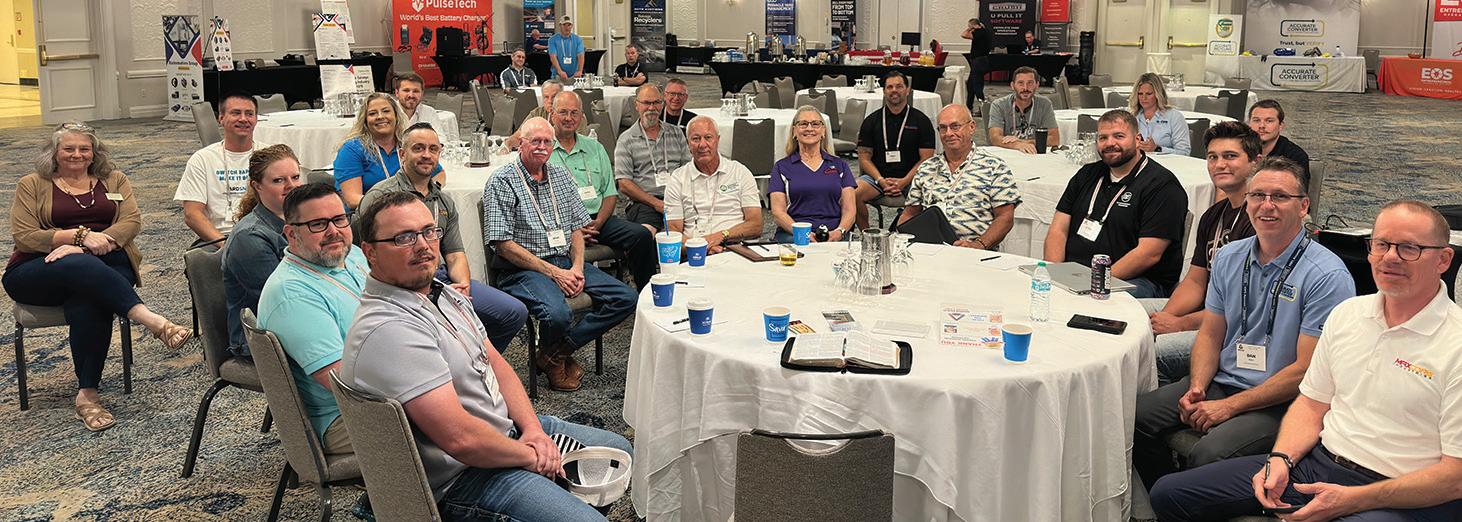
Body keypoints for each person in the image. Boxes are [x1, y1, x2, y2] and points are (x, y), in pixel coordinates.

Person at [1150, 200, 1462, 521]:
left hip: (1402, 493)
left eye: (1409, 248)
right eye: (1381, 244)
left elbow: (1455, 478)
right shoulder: (1349, 314)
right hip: (1320, 464)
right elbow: (1311, 405)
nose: (1390, 257)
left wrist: (1352, 500)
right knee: (1170, 494)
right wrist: (1281, 459)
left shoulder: (1455, 343)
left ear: (1443, 259)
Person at [343, 192, 633, 520]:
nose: (423, 245)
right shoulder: (390, 329)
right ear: (370, 252)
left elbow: (496, 364)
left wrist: (533, 430)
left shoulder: (442, 294)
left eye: (429, 231)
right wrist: (531, 455)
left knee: (617, 452)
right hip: (466, 477)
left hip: (503, 433)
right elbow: (461, 440)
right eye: (404, 238)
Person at [1132, 156, 1354, 490]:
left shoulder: (1326, 275)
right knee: (1134, 418)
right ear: (1247, 201)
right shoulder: (1229, 256)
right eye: (1258, 195)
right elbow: (1210, 334)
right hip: (1224, 380)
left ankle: (1188, 499)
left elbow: (1306, 370)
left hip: (1283, 401)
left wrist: (1229, 407)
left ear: (1304, 206)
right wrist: (1198, 386)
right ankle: (1164, 500)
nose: (1267, 205)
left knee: (1208, 453)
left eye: (1280, 197)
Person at [6, 121, 194, 432]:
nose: (77, 154)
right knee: (77, 267)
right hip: (39, 269)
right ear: (54, 152)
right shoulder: (32, 183)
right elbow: (25, 236)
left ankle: (87, 395)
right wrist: (77, 237)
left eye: (84, 148)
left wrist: (87, 246)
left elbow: (131, 221)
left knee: (91, 299)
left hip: (107, 259)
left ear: (94, 152)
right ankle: (153, 322)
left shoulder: (114, 180)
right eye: (68, 148)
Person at [483, 117, 637, 392]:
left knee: (626, 298)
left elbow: (576, 228)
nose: (542, 147)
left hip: (564, 261)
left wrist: (576, 267)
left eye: (547, 142)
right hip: (521, 269)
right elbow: (503, 244)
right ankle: (556, 359)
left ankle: (555, 354)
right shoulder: (502, 180)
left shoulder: (561, 176)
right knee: (557, 314)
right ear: (521, 144)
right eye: (535, 141)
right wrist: (555, 273)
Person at [356, 123, 529, 351]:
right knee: (437, 326)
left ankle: (474, 361)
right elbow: (364, 257)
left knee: (513, 312)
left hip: (439, 278)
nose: (426, 155)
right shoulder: (380, 197)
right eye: (418, 148)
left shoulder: (444, 201)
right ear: (402, 154)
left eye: (433, 149)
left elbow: (455, 255)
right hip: (400, 282)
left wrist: (462, 287)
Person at [1143, 122, 1262, 385]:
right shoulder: (1213, 215)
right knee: (1125, 315)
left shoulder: (1260, 219)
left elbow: (1246, 304)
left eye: (1230, 156)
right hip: (1206, 309)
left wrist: (1181, 324)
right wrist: (1165, 319)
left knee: (1149, 353)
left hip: (1235, 327)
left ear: (1255, 162)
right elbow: (1196, 281)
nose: (1219, 165)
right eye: (1212, 157)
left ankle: (1167, 404)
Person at [256, 182, 367, 454]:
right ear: (291, 234)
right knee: (456, 421)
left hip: (383, 389)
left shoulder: (352, 255)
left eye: (339, 219)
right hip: (348, 417)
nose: (334, 232)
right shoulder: (291, 294)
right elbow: (344, 383)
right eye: (318, 224)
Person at [1042, 109, 1187, 298]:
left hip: (1136, 281)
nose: (1110, 143)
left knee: (1095, 304)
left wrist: (1094, 282)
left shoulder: (1162, 186)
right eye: (1103, 137)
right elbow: (1058, 230)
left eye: (1119, 136)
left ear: (1137, 140)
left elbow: (1148, 254)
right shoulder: (1086, 174)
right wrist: (1055, 275)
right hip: (1076, 275)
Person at [548, 91, 657, 289]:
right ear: (552, 115)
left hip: (598, 220)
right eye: (563, 112)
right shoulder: (544, 151)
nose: (569, 118)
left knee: (641, 235)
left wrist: (598, 223)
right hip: (561, 225)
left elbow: (610, 193)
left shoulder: (595, 147)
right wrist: (573, 230)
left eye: (574, 113)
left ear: (582, 116)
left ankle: (647, 293)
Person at [898, 104, 1020, 249]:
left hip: (976, 251)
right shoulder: (926, 168)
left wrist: (979, 244)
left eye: (955, 126)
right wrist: (899, 242)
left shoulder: (995, 167)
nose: (948, 133)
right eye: (943, 128)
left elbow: (1005, 217)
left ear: (972, 127)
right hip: (931, 249)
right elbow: (909, 214)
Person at [221, 145, 303, 358]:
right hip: (262, 340)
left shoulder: (302, 220)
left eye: (295, 177)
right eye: (279, 180)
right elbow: (285, 302)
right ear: (257, 186)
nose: (291, 186)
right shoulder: (249, 238)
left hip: (297, 321)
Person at [175, 92, 270, 246]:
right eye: (236, 113)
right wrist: (226, 246)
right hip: (219, 237)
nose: (243, 119)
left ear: (256, 119)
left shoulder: (270, 156)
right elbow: (192, 214)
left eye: (249, 114)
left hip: (265, 233)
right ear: (221, 118)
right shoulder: (202, 159)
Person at [666, 116, 765, 253]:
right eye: (696, 139)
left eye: (708, 137)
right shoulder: (678, 179)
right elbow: (673, 233)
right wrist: (702, 248)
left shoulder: (739, 172)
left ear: (717, 140)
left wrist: (720, 236)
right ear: (688, 143)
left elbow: (756, 225)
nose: (702, 144)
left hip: (736, 248)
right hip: (694, 252)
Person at [854, 71, 937, 230]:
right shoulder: (871, 121)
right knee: (851, 193)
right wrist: (881, 180)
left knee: (933, 195)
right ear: (884, 91)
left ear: (908, 90)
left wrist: (903, 181)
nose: (894, 90)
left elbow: (927, 159)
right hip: (877, 179)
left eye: (899, 86)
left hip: (913, 179)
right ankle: (867, 235)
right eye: (890, 87)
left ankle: (906, 233)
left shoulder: (921, 121)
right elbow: (864, 157)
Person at [332, 92, 441, 210]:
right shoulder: (352, 149)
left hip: (409, 211)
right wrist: (398, 204)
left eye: (386, 111)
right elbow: (353, 200)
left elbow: (439, 174)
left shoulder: (408, 145)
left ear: (396, 115)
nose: (380, 116)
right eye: (372, 113)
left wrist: (429, 192)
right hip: (366, 214)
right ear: (365, 120)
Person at [769, 106, 856, 243]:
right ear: (794, 131)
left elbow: (849, 210)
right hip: (794, 233)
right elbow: (778, 213)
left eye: (815, 124)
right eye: (803, 124)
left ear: (823, 131)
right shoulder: (781, 167)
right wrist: (802, 233)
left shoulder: (840, 166)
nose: (809, 128)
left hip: (834, 233)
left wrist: (839, 232)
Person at [615, 84, 693, 233]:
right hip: (645, 202)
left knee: (698, 228)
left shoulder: (676, 133)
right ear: (636, 105)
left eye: (656, 102)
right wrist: (656, 203)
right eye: (646, 103)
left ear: (662, 104)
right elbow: (624, 184)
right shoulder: (626, 139)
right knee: (646, 233)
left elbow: (689, 169)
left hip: (679, 198)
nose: (652, 108)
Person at [987, 66, 1060, 154]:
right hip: (1009, 154)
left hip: (1034, 154)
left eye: (1030, 83)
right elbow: (994, 138)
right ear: (1012, 85)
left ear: (1037, 85)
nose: (1025, 88)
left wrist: (1021, 141)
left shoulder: (1044, 104)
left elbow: (1054, 139)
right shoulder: (999, 105)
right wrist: (1016, 145)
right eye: (1020, 83)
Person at [1247, 99, 1311, 184]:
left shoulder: (1295, 156)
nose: (1261, 126)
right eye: (1256, 120)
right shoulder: (1240, 149)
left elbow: (1298, 190)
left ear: (1281, 126)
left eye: (1269, 121)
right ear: (1249, 124)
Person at [1127, 72, 1190, 156]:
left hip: (1166, 163)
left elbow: (1184, 153)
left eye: (1149, 94)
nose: (1143, 98)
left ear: (1158, 94)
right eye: (1140, 94)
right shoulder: (1131, 117)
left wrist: (1157, 149)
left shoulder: (1174, 117)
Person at [394, 72, 458, 143]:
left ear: (422, 93)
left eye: (416, 91)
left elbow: (441, 139)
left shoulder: (429, 112)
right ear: (397, 93)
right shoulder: (390, 112)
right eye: (406, 90)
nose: (411, 95)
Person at [961, 18, 993, 108]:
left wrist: (970, 28)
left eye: (969, 25)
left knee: (977, 85)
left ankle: (983, 107)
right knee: (970, 84)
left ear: (974, 25)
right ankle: (969, 106)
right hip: (982, 60)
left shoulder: (979, 32)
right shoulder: (985, 31)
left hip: (978, 61)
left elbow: (963, 35)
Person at [547, 16, 586, 81]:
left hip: (574, 75)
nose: (567, 27)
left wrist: (579, 71)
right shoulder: (552, 40)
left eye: (569, 25)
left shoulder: (578, 39)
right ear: (560, 25)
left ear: (572, 26)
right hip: (558, 75)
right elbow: (553, 57)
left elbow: (581, 56)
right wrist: (559, 71)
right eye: (564, 25)